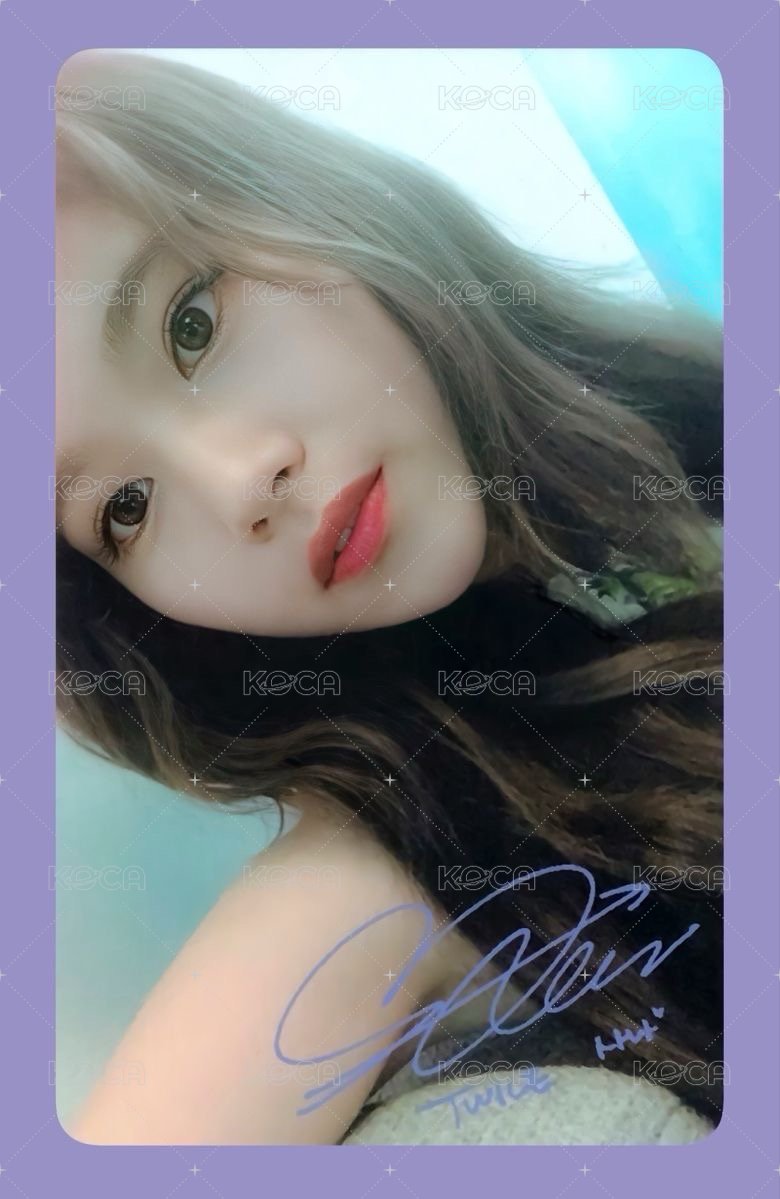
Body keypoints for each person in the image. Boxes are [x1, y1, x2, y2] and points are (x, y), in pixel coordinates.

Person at [55, 50, 724, 1144]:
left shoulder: (704, 416)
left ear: (304, 200)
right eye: (124, 507)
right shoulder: (395, 842)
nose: (241, 481)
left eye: (191, 322)